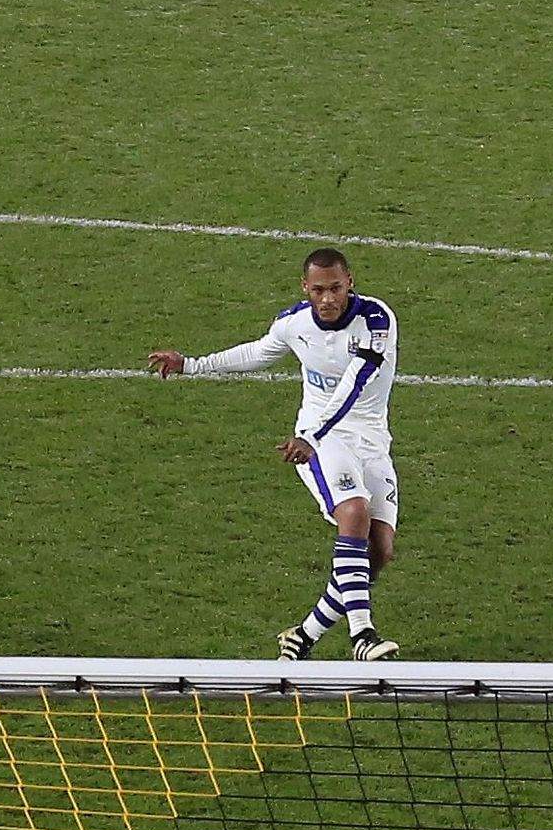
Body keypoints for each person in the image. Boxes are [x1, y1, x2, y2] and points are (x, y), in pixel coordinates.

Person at [149, 246, 403, 661]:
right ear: (305, 288)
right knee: (353, 513)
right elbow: (256, 352)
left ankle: (303, 636)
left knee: (379, 551)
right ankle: (363, 635)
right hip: (322, 440)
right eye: (318, 290)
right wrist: (191, 365)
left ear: (350, 283)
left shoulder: (376, 321)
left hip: (370, 441)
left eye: (336, 288)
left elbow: (354, 383)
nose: (328, 299)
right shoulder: (294, 323)